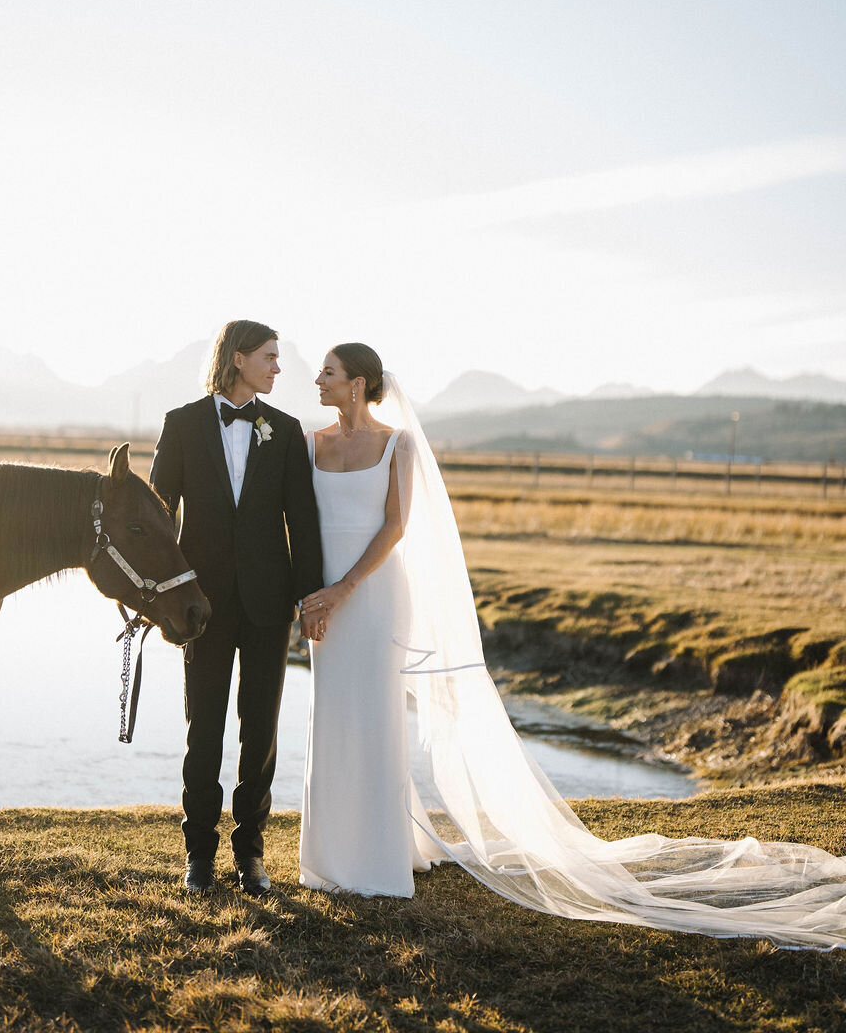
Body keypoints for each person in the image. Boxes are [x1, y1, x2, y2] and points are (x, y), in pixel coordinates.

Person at [298, 343, 846, 948]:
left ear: (358, 383)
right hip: (322, 604)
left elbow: (397, 528)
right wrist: (312, 596)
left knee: (374, 717)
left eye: (328, 371)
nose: (316, 378)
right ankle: (331, 854)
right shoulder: (311, 444)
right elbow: (298, 525)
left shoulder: (396, 445)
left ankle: (375, 860)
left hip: (372, 598)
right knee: (332, 716)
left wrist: (345, 589)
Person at [151, 320, 323, 896]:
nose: (278, 367)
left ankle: (250, 856)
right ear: (239, 358)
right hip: (200, 606)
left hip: (269, 605)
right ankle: (198, 856)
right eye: (270, 357)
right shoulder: (182, 425)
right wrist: (162, 597)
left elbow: (302, 522)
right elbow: (157, 522)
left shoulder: (287, 430)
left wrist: (309, 598)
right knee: (204, 730)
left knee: (261, 731)